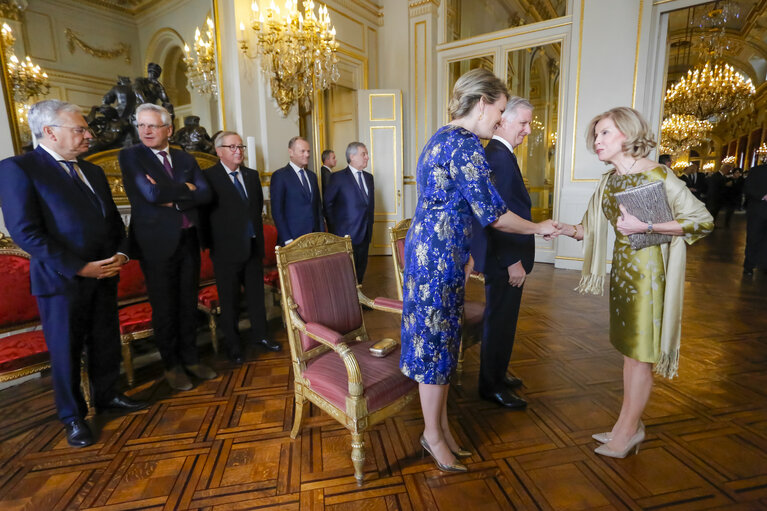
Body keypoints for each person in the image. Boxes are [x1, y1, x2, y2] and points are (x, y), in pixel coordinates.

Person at [399, 68, 557, 473]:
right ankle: (433, 436)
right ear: (483, 101)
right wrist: (540, 226)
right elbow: (495, 215)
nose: (500, 119)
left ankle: (441, 427)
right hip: (438, 255)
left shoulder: (441, 136)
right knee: (436, 346)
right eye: (500, 110)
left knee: (439, 342)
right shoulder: (466, 144)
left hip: (430, 249)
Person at [557, 107, 713, 458]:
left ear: (627, 134)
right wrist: (564, 229)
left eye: (605, 133)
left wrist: (647, 227)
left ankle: (627, 432)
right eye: (595, 135)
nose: (597, 141)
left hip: (651, 278)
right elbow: (589, 228)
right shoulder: (609, 181)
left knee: (641, 358)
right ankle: (626, 426)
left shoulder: (658, 175)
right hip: (625, 277)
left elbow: (702, 221)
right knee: (630, 355)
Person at [0, 100, 147, 448]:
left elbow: (113, 221)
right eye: (79, 129)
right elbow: (25, 232)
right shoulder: (19, 168)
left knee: (105, 340)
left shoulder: (92, 171)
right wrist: (80, 267)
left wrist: (122, 253)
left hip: (106, 271)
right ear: (50, 132)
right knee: (66, 350)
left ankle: (108, 394)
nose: (88, 134)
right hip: (61, 280)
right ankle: (72, 417)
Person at [119, 103, 215, 391]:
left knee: (188, 304)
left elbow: (206, 194)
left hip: (188, 241)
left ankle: (191, 359)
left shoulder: (185, 158)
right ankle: (172, 366)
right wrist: (186, 189)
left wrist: (171, 196)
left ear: (168, 130)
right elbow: (148, 193)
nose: (145, 131)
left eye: (152, 125)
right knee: (165, 308)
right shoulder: (131, 156)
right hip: (155, 245)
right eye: (141, 125)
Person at [470, 96, 535, 410]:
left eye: (529, 123)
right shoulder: (496, 156)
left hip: (509, 258)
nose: (528, 130)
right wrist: (512, 262)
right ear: (502, 120)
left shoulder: (503, 154)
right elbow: (497, 217)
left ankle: (497, 373)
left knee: (505, 321)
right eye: (523, 122)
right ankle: (490, 385)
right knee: (499, 321)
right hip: (506, 260)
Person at [200, 131, 281, 364]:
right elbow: (204, 216)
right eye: (232, 147)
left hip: (253, 247)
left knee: (257, 298)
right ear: (219, 151)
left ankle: (260, 336)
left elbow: (255, 212)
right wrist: (210, 245)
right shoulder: (209, 177)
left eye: (240, 147)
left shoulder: (252, 175)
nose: (238, 151)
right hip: (225, 252)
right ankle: (234, 346)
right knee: (230, 301)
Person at [323, 142, 375, 283]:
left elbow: (369, 206)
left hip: (365, 233)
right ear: (352, 156)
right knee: (345, 273)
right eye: (363, 154)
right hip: (345, 235)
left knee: (361, 269)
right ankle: (347, 302)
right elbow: (328, 205)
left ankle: (359, 299)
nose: (367, 157)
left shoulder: (369, 178)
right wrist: (336, 232)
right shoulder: (337, 178)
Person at [269, 136, 325, 245]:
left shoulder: (312, 176)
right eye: (303, 151)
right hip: (292, 239)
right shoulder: (280, 176)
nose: (307, 154)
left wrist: (321, 234)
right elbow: (277, 211)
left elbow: (318, 207)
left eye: (308, 151)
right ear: (291, 152)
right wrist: (287, 239)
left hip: (314, 238)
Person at [743, 162, 767, 276]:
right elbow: (748, 188)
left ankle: (764, 265)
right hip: (758, 211)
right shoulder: (756, 170)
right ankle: (749, 266)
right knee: (753, 238)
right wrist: (763, 195)